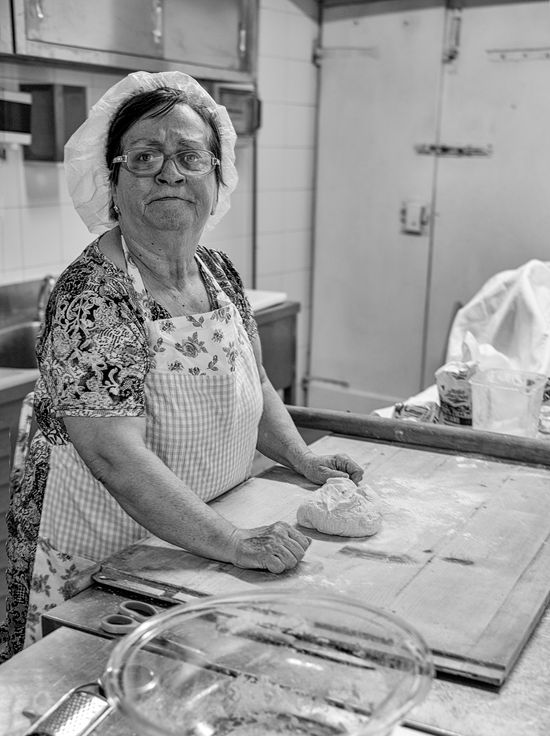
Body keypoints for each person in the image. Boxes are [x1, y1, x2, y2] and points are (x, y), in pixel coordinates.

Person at [1, 71, 363, 661]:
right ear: (112, 182)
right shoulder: (95, 293)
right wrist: (235, 543)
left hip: (198, 540)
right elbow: (116, 455)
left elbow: (259, 384)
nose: (169, 172)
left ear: (216, 177)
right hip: (105, 556)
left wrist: (301, 458)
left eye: (189, 156)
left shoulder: (217, 271)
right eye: (144, 157)